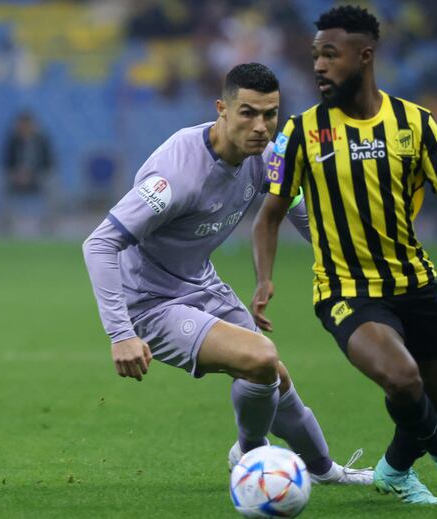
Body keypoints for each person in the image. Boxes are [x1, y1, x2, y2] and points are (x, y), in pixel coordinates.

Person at [82, 62, 372, 485]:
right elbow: (100, 243)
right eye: (248, 113)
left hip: (199, 281)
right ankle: (251, 455)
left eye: (270, 114)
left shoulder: (266, 158)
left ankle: (325, 471)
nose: (261, 126)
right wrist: (121, 334)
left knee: (274, 375)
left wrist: (355, 263)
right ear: (222, 109)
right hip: (148, 303)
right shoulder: (177, 176)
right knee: (259, 359)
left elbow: (302, 216)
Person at [252, 6, 437, 508]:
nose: (318, 66)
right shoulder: (302, 132)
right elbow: (269, 215)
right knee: (404, 379)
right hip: (344, 289)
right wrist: (264, 278)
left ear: (365, 56)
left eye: (330, 56)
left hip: (414, 281)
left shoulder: (414, 124)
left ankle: (395, 470)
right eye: (315, 55)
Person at [0, 111, 57, 236]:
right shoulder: (12, 141)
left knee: (52, 183)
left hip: (37, 177)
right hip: (16, 178)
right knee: (0, 183)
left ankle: (49, 224)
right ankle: (6, 225)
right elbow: (5, 162)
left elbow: (49, 162)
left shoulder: (42, 140)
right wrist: (16, 173)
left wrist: (32, 173)